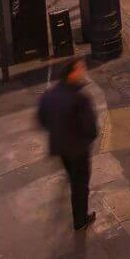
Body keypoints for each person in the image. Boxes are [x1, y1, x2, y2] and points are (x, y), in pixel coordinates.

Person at [37, 58, 100, 232]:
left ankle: (71, 178)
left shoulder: (49, 95)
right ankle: (80, 220)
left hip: (59, 146)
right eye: (80, 68)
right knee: (80, 185)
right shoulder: (79, 98)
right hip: (78, 149)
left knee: (72, 174)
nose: (83, 70)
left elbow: (42, 119)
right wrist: (86, 140)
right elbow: (91, 128)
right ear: (71, 73)